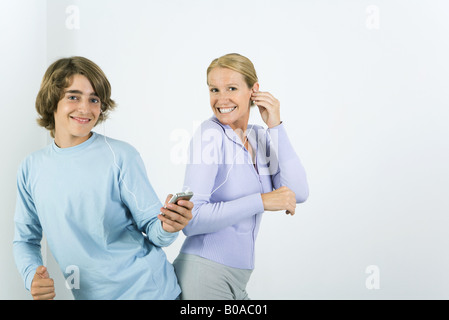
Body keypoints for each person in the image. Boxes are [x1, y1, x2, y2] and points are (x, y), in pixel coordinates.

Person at [13, 56, 193, 300]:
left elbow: (154, 229)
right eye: (73, 96)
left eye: (94, 99)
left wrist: (169, 226)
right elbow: (25, 240)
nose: (85, 108)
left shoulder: (120, 156)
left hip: (149, 291)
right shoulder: (31, 168)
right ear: (52, 99)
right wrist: (31, 275)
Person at [172, 53, 309, 300]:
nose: (221, 99)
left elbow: (298, 192)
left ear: (253, 90)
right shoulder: (209, 136)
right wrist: (262, 201)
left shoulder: (259, 137)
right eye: (214, 90)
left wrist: (276, 127)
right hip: (204, 274)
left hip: (238, 278)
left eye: (231, 88)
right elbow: (192, 221)